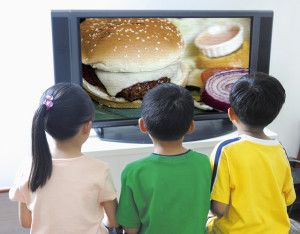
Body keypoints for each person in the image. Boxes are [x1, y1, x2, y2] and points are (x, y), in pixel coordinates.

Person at [9, 83, 120, 234]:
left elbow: (26, 221)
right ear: (87, 127)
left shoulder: (27, 167)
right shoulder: (99, 170)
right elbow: (113, 221)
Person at [116, 83, 211, 234]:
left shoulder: (134, 171)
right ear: (191, 127)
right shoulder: (204, 163)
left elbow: (130, 228)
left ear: (142, 125)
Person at [207, 72, 296, 233]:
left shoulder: (225, 150)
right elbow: (288, 200)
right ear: (275, 115)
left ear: (231, 113)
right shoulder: (280, 150)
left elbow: (218, 209)